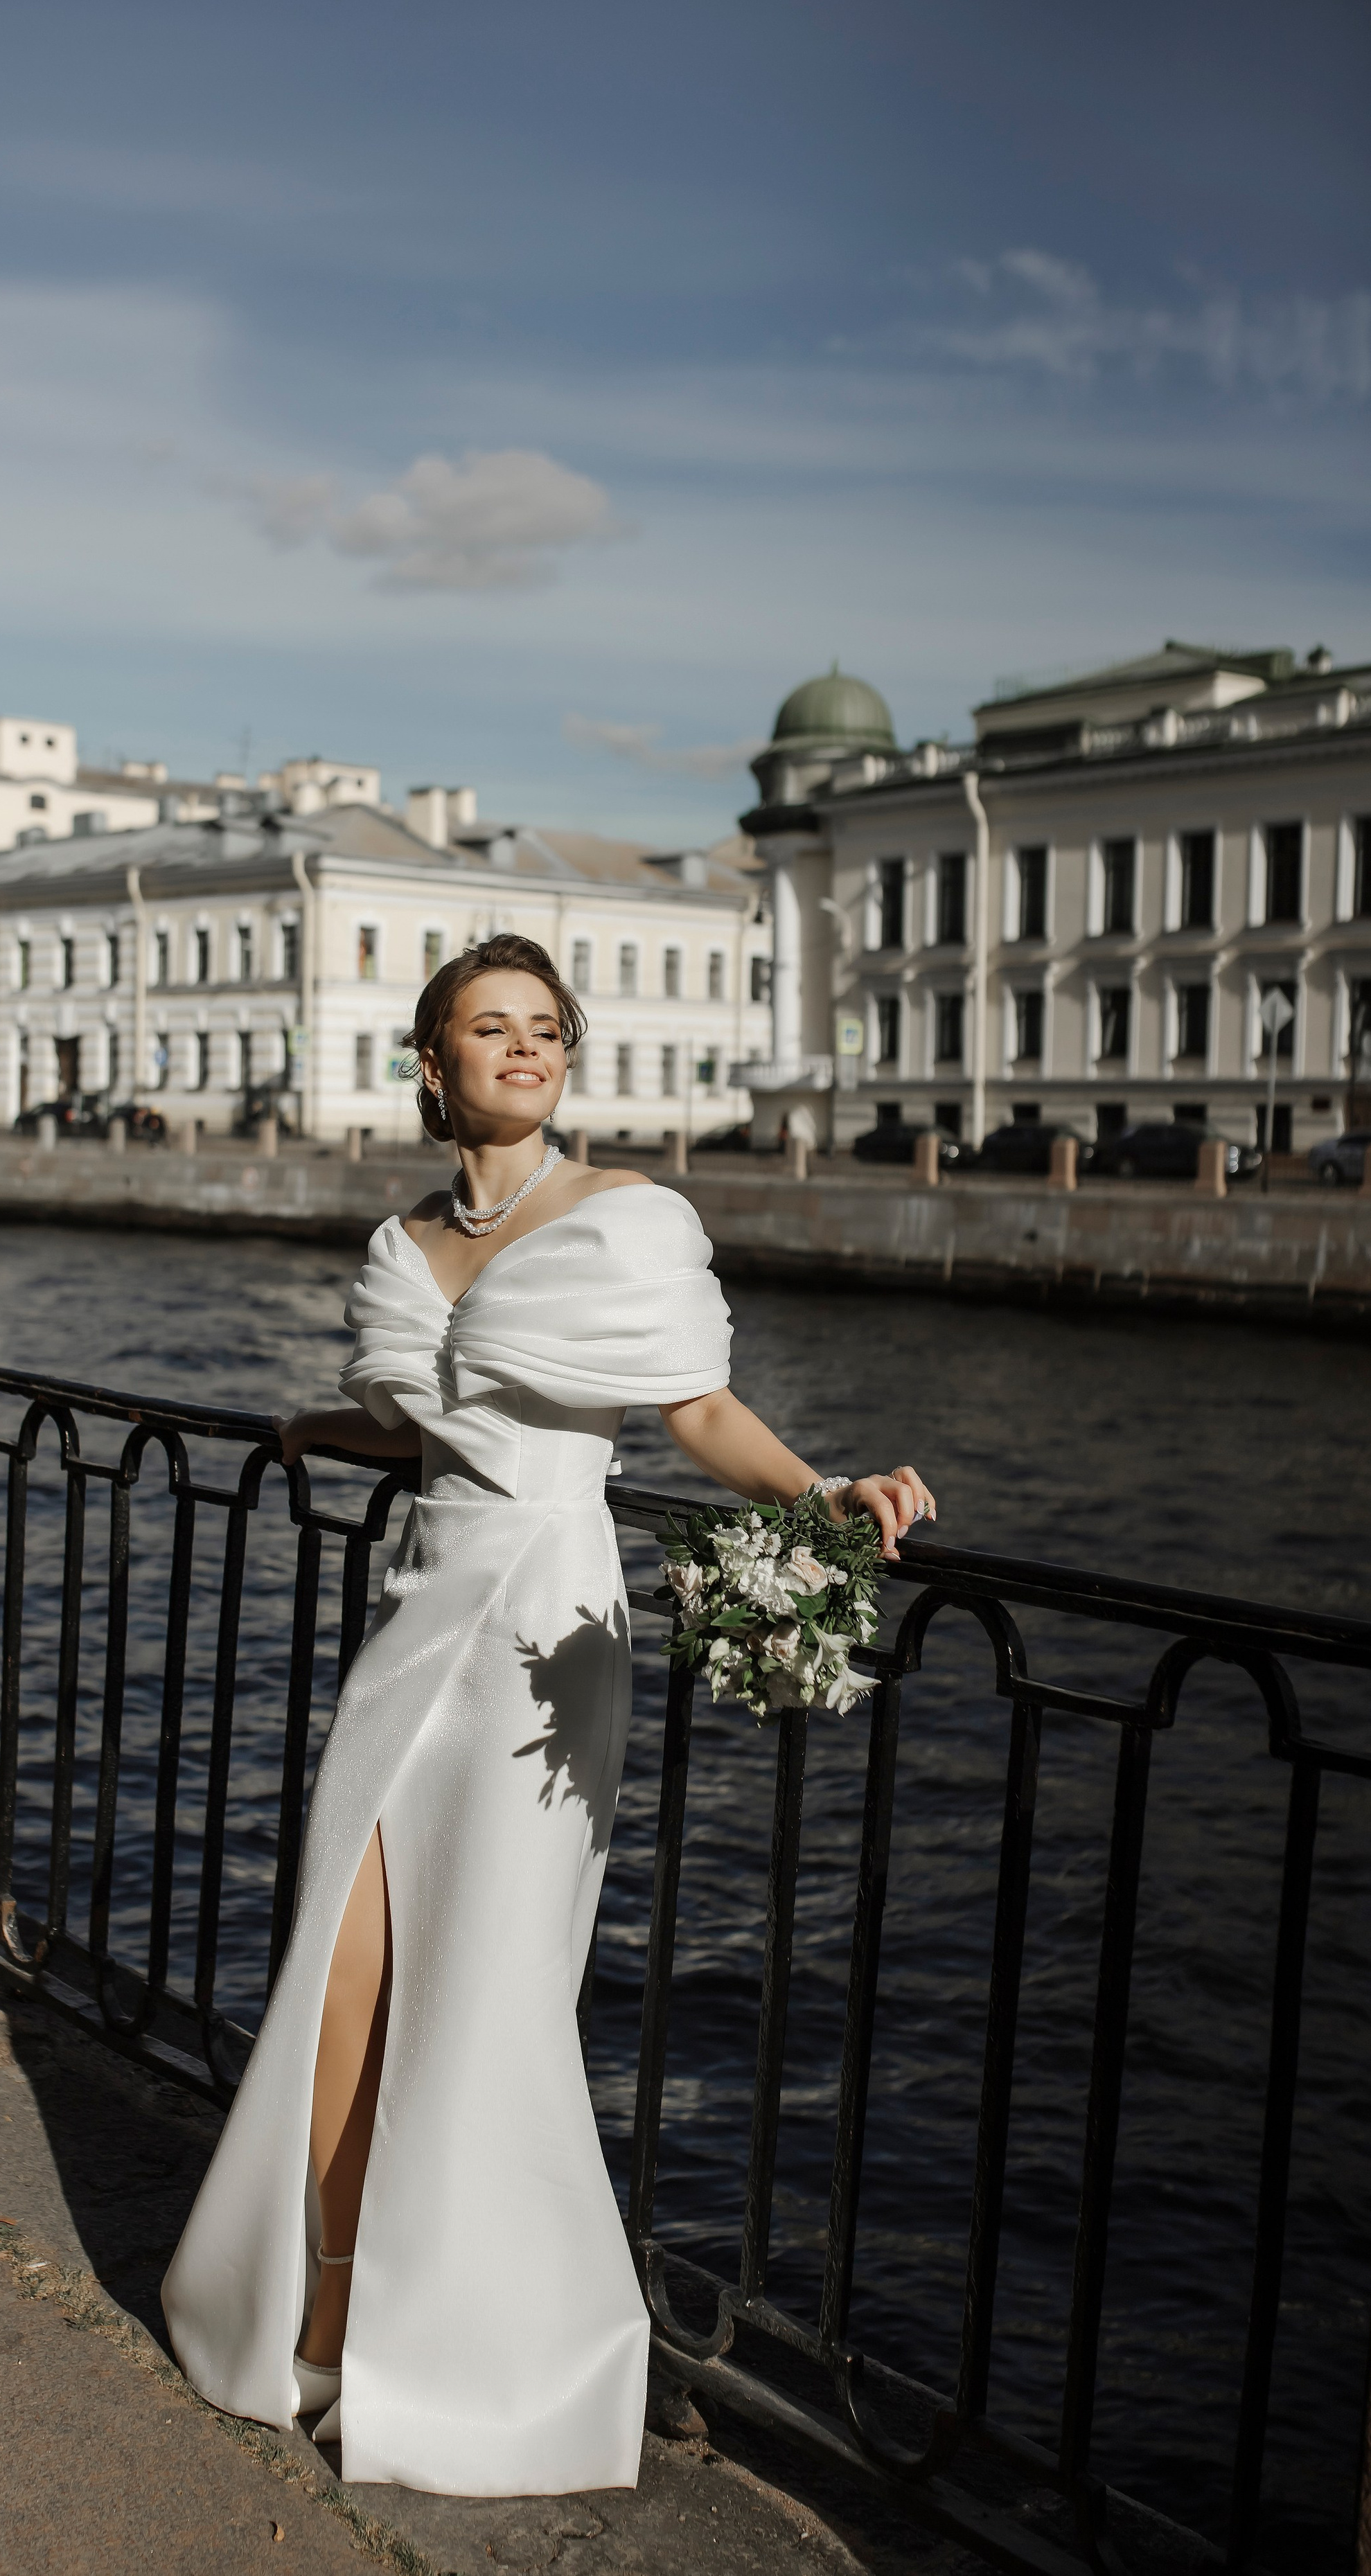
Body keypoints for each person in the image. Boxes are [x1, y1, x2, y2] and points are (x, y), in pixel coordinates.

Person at [161, 932, 932, 2497]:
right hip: (413, 1622)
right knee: (342, 1973)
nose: (521, 1050)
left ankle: (466, 2361)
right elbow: (418, 1416)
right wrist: (311, 1429)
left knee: (489, 1992)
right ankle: (317, 2321)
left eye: (542, 1030)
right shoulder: (398, 1241)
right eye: (486, 1029)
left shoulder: (629, 1222)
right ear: (429, 1066)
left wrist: (823, 1494)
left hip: (544, 1632)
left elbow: (695, 1413)